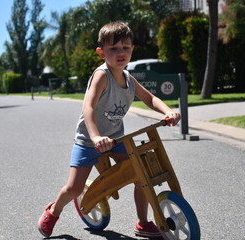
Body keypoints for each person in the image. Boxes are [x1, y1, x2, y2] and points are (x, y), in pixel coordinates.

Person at [38, 21, 181, 238]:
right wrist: (95, 136)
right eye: (114, 48)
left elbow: (150, 97)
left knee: (140, 172)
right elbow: (88, 107)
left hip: (115, 139)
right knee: (74, 188)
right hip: (88, 141)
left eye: (125, 47)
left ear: (132, 49)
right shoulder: (101, 75)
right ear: (101, 52)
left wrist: (167, 111)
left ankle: (142, 223)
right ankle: (53, 211)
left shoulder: (129, 79)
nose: (120, 52)